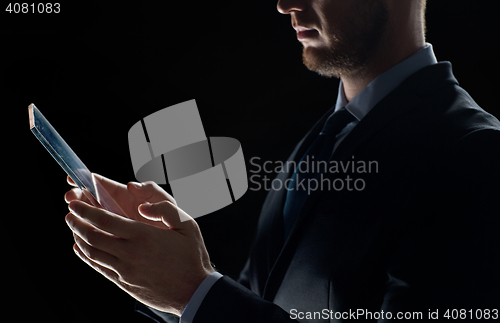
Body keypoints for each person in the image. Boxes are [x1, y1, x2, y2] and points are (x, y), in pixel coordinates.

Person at [64, 0, 500, 322]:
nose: (285, 4)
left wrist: (193, 290)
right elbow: (265, 306)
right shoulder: (320, 142)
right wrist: (158, 272)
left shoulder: (471, 153)